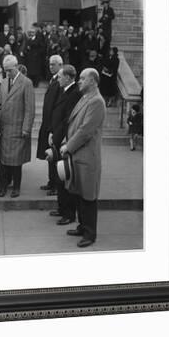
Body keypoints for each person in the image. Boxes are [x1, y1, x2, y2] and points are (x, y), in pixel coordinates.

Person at [60, 68, 106, 248]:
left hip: (86, 157)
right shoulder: (86, 97)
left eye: (82, 78)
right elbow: (74, 124)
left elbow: (85, 131)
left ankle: (90, 233)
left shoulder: (96, 101)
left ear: (93, 81)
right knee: (79, 194)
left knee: (88, 197)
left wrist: (68, 146)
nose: (79, 81)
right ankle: (82, 226)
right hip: (78, 155)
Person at [0, 55, 35, 198]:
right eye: (5, 71)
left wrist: (26, 128)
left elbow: (30, 108)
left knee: (16, 162)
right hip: (5, 128)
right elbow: (0, 104)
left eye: (10, 70)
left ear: (17, 67)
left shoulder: (26, 83)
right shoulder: (4, 82)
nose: (8, 73)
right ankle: (3, 187)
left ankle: (16, 188)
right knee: (3, 161)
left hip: (18, 128)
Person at [48, 65, 82, 225]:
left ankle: (69, 214)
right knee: (59, 177)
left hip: (65, 139)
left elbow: (67, 119)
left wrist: (56, 137)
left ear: (68, 77)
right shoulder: (64, 89)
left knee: (66, 178)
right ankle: (62, 209)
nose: (58, 79)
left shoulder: (74, 93)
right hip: (57, 136)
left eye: (61, 76)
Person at [36, 55, 63, 195]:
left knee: (54, 156)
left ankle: (56, 185)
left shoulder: (60, 81)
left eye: (53, 64)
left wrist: (53, 128)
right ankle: (51, 182)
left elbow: (57, 107)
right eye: (50, 64)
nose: (50, 66)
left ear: (60, 65)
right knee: (49, 156)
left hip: (54, 126)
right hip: (47, 124)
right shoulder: (53, 79)